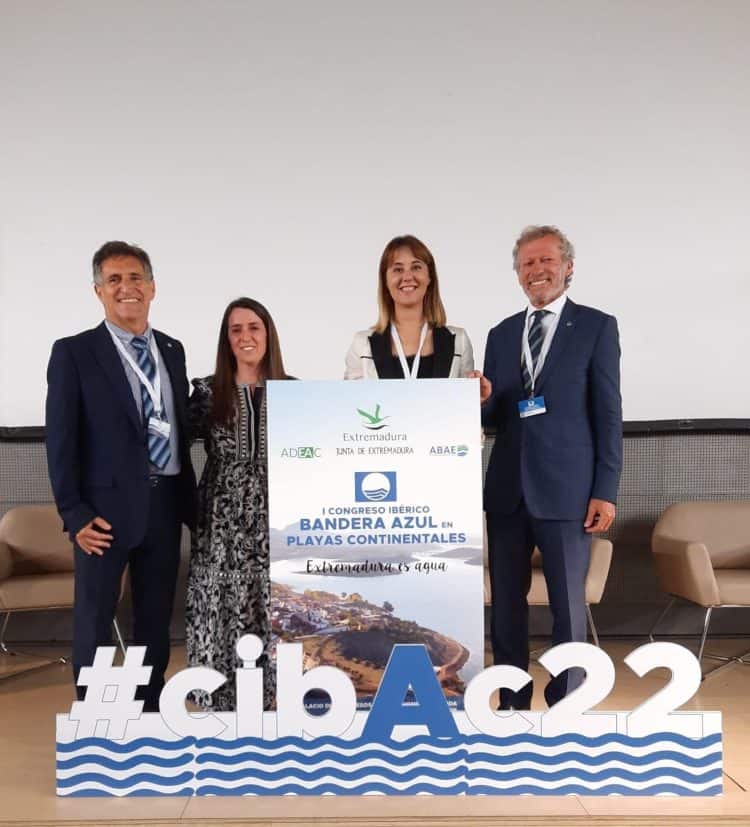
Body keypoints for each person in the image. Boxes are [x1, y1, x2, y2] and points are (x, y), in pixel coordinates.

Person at [45, 241, 197, 712]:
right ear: (98, 291)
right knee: (95, 617)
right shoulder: (74, 353)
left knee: (154, 619)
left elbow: (177, 425)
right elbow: (62, 441)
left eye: (135, 279)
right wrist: (73, 514)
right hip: (102, 516)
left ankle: (148, 709)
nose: (126, 288)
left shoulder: (172, 349)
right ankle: (94, 717)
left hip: (165, 504)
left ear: (152, 288)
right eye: (114, 280)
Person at [482, 225, 622, 709]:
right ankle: (513, 705)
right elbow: (496, 415)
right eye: (527, 264)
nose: (536, 271)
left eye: (546, 261)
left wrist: (606, 489)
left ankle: (566, 706)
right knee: (506, 609)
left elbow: (607, 413)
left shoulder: (596, 327)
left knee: (567, 608)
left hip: (569, 493)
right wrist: (481, 399)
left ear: (568, 268)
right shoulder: (501, 334)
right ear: (518, 273)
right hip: (506, 491)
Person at [186, 297, 291, 710]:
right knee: (224, 600)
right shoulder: (208, 393)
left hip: (278, 517)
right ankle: (222, 698)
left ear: (268, 334)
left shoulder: (295, 392)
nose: (246, 336)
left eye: (254, 327)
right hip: (221, 519)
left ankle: (277, 696)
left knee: (273, 601)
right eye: (236, 330)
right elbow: (166, 444)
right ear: (226, 339)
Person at [345, 235, 481, 382]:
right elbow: (350, 403)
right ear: (385, 280)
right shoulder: (362, 345)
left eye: (416, 267)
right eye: (398, 269)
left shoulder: (459, 342)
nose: (407, 276)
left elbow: (465, 403)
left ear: (430, 278)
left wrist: (480, 398)